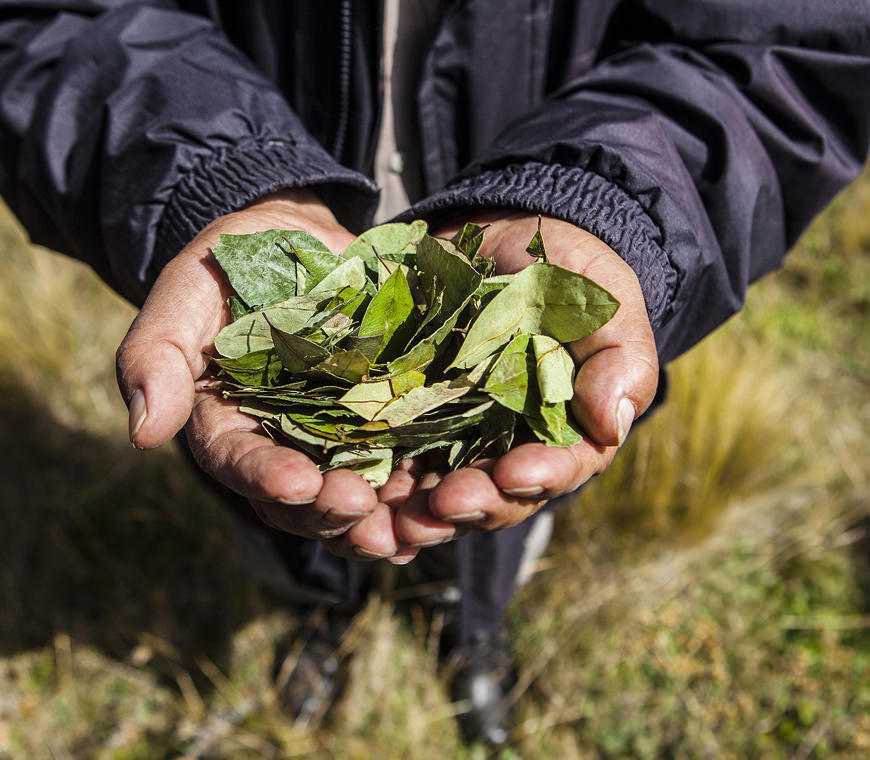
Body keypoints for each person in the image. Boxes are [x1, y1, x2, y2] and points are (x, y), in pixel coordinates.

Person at [0, 0, 867, 745]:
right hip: (290, 160)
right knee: (297, 505)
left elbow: (786, 40)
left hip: (525, 170)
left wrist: (612, 198)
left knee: (491, 505)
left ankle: (471, 627)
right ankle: (320, 617)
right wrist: (217, 173)